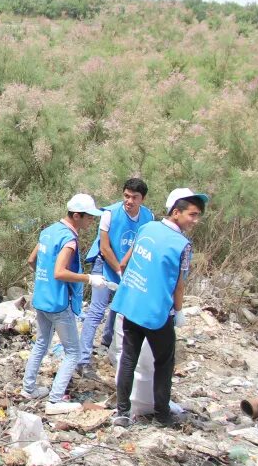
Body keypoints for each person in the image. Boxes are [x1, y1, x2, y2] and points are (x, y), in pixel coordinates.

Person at [111, 188, 206, 427]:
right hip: (157, 313)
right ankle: (162, 415)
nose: (196, 221)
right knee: (164, 363)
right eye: (192, 215)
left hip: (132, 306)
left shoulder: (147, 227)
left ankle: (122, 413)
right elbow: (179, 284)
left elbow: (125, 262)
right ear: (176, 212)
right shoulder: (182, 245)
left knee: (128, 359)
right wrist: (179, 311)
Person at [22, 194, 107, 402]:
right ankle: (55, 399)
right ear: (77, 216)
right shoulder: (68, 239)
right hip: (58, 304)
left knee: (41, 343)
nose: (92, 221)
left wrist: (44, 282)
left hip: (41, 299)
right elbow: (59, 272)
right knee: (73, 353)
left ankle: (28, 388)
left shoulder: (48, 231)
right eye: (89, 217)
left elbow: (32, 260)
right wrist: (89, 278)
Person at [79, 178, 154, 377]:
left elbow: (141, 244)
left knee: (120, 308)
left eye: (134, 197)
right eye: (126, 196)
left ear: (142, 199)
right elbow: (104, 247)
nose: (129, 201)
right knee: (97, 310)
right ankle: (83, 359)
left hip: (129, 268)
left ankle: (109, 345)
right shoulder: (110, 213)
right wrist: (119, 270)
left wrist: (128, 269)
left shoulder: (148, 217)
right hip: (105, 264)